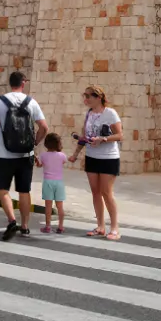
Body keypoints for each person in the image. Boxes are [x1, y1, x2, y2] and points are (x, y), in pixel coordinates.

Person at [0, 71, 48, 240]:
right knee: (24, 191)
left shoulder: (0, 102)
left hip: (4, 154)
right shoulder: (31, 102)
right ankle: (25, 226)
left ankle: (12, 220)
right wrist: (34, 143)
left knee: (3, 189)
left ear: (10, 83)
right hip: (25, 154)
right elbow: (44, 127)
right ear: (23, 83)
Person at [69, 85, 123, 240]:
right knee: (95, 192)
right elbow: (83, 136)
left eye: (88, 96)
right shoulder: (89, 114)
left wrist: (103, 139)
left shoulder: (110, 113)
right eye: (84, 95)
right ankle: (100, 226)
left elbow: (120, 135)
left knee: (107, 192)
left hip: (109, 158)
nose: (85, 99)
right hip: (92, 156)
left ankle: (114, 228)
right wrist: (75, 154)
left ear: (98, 98)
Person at [37, 133, 67, 234]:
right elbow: (63, 162)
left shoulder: (43, 155)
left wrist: (37, 160)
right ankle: (61, 226)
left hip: (48, 182)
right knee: (60, 206)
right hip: (59, 182)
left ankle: (48, 226)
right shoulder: (62, 156)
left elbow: (39, 165)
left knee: (48, 206)